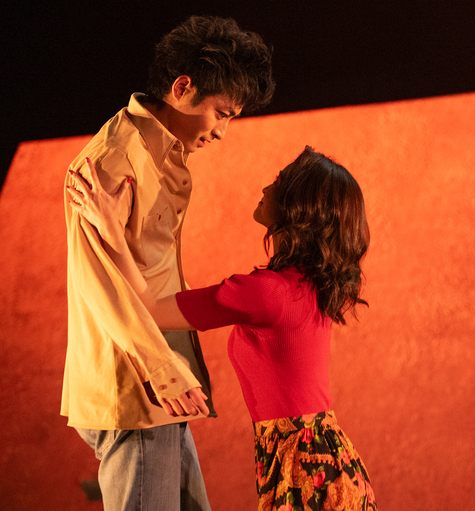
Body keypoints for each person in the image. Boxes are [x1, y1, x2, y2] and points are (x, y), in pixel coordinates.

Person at [67, 146, 378, 511]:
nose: (266, 187)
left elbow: (147, 309)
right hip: (329, 461)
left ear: (299, 207)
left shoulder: (265, 293)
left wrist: (110, 228)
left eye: (279, 182)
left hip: (306, 469)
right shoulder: (308, 285)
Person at [62, 15, 275, 511]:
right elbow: (96, 280)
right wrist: (160, 367)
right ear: (182, 88)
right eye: (222, 113)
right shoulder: (113, 160)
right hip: (138, 384)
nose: (222, 131)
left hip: (163, 383)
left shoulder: (160, 154)